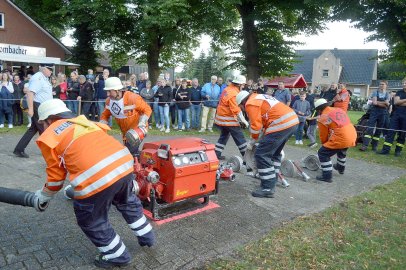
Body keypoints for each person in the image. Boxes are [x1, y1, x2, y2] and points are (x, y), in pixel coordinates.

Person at [34, 99, 155, 268]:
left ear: (48, 120)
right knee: (127, 202)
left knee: (91, 219)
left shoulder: (50, 135)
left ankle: (117, 256)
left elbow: (55, 179)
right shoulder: (84, 122)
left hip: (97, 177)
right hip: (124, 165)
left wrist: (43, 196)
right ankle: (147, 236)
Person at [236, 91, 299, 198]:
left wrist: (253, 141)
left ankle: (268, 187)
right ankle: (272, 179)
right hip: (292, 121)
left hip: (280, 123)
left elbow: (256, 126)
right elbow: (265, 121)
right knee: (275, 153)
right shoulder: (259, 97)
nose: (242, 109)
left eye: (241, 107)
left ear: (242, 102)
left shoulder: (250, 103)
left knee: (261, 154)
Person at [100, 77, 151, 155]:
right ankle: (144, 159)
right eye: (107, 91)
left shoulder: (133, 98)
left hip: (138, 130)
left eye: (109, 91)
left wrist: (142, 122)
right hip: (125, 133)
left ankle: (144, 159)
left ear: (117, 90)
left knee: (129, 152)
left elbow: (147, 109)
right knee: (129, 152)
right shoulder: (109, 101)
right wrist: (101, 127)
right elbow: (105, 115)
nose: (107, 94)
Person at [13, 66, 53, 158]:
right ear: (43, 69)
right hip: (37, 106)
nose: (51, 71)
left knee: (33, 129)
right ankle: (50, 151)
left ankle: (19, 149)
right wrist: (30, 109)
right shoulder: (38, 78)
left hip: (42, 106)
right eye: (49, 69)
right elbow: (30, 94)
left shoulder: (44, 78)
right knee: (44, 129)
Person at [313, 98, 357, 182]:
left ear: (319, 110)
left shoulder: (323, 117)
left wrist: (325, 144)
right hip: (351, 133)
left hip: (341, 137)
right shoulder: (338, 109)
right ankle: (340, 168)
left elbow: (323, 135)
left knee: (323, 153)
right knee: (342, 150)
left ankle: (327, 176)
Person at [214, 75, 249, 161]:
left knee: (224, 136)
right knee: (240, 138)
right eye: (243, 85)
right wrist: (244, 121)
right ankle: (247, 158)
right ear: (239, 84)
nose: (243, 87)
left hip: (222, 119)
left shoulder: (227, 89)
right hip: (229, 120)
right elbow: (236, 109)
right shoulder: (233, 93)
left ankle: (216, 154)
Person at [378, 79, 406, 156]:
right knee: (390, 132)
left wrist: (401, 102)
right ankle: (385, 150)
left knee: (402, 134)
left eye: (405, 83)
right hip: (396, 116)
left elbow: (399, 102)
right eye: (403, 83)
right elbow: (396, 102)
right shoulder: (399, 92)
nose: (403, 84)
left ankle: (398, 151)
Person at [359, 80, 390, 151]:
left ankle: (374, 145)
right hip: (374, 112)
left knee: (379, 129)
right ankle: (365, 145)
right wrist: (384, 103)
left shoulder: (387, 94)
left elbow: (387, 104)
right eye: (380, 84)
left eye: (383, 84)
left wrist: (379, 103)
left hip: (383, 113)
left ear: (386, 86)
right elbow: (375, 103)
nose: (381, 85)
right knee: (370, 128)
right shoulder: (375, 92)